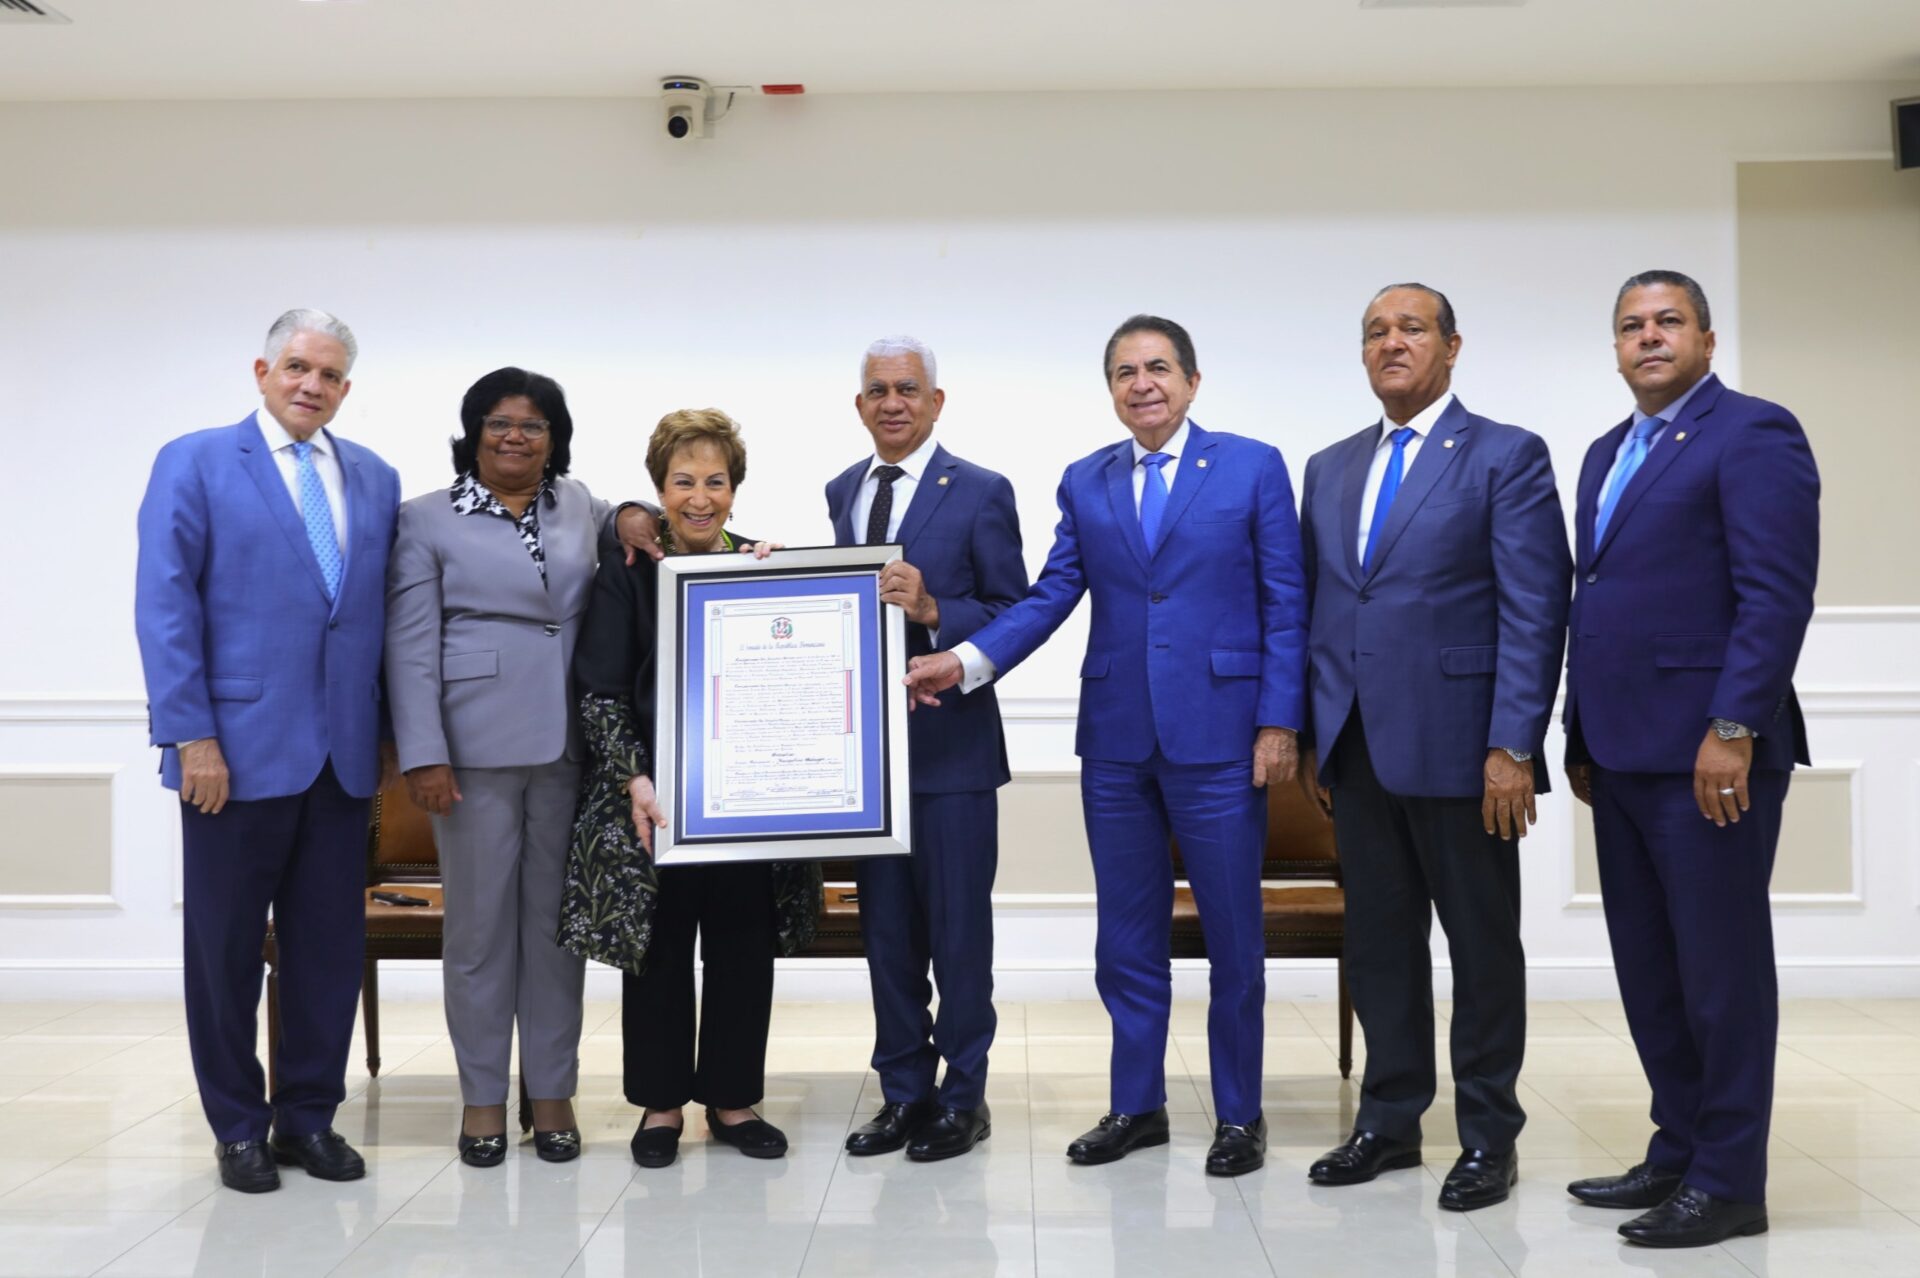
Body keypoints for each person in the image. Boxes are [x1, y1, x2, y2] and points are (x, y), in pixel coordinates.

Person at [905, 315, 1308, 1177]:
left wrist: (1280, 722)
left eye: (1158, 367)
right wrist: (965, 661)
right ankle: (1137, 1106)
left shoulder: (1252, 466)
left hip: (1222, 739)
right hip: (1118, 741)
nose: (1142, 383)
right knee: (1125, 939)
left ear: (1192, 381)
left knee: (1234, 940)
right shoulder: (1086, 480)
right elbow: (1051, 595)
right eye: (1125, 372)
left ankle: (1240, 1114)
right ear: (1112, 391)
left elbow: (1286, 600)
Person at [1296, 284, 1571, 1211]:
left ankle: (1489, 1135)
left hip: (1466, 750)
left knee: (1482, 949)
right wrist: (1313, 733)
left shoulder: (1505, 454)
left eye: (1411, 329)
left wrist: (1513, 744)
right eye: (1375, 332)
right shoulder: (1329, 467)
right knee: (1381, 946)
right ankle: (1388, 1122)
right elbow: (1321, 608)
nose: (1392, 343)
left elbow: (1535, 607)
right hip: (1356, 748)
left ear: (1452, 347)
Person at [1562, 271, 1819, 1248]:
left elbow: (1776, 595)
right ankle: (1677, 1150)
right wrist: (1579, 734)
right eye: (1632, 325)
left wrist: (1735, 727)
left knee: (1721, 974)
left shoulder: (1753, 433)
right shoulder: (1606, 452)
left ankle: (1729, 1181)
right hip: (1621, 752)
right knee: (1652, 970)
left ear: (1707, 340)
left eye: (1669, 321)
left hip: (1712, 756)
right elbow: (1598, 602)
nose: (1649, 337)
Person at [134, 309, 400, 1193]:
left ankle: (309, 1119)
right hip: (231, 758)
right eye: (295, 367)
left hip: (342, 762)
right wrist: (191, 735)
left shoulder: (374, 477)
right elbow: (165, 606)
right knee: (225, 953)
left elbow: (376, 618)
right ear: (262, 371)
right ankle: (239, 1128)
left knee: (327, 952)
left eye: (328, 374)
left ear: (346, 388)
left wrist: (387, 739)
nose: (310, 385)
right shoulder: (196, 462)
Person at [384, 367, 658, 1167]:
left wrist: (634, 512)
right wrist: (424, 753)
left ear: (553, 438)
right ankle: (481, 1099)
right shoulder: (424, 519)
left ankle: (552, 1094)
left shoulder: (578, 504)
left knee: (554, 932)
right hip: (469, 755)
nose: (515, 437)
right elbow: (409, 644)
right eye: (498, 423)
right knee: (477, 934)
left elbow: (626, 522)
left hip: (568, 751)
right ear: (473, 433)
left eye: (533, 425)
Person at [559, 409, 821, 1170]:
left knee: (743, 949)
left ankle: (733, 1102)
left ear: (735, 490)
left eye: (716, 481)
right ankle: (661, 1105)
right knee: (661, 953)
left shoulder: (763, 564)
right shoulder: (628, 571)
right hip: (655, 804)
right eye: (683, 482)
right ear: (659, 489)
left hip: (747, 803)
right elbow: (600, 692)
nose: (700, 498)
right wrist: (636, 780)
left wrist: (791, 589)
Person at [827, 337, 1028, 1162]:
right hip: (869, 762)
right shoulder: (842, 490)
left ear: (936, 402)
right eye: (878, 390)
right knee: (887, 939)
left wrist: (937, 609)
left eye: (908, 389)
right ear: (860, 406)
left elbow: (1014, 610)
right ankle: (903, 1093)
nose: (893, 403)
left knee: (959, 938)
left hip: (953, 754)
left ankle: (963, 1098)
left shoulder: (981, 491)